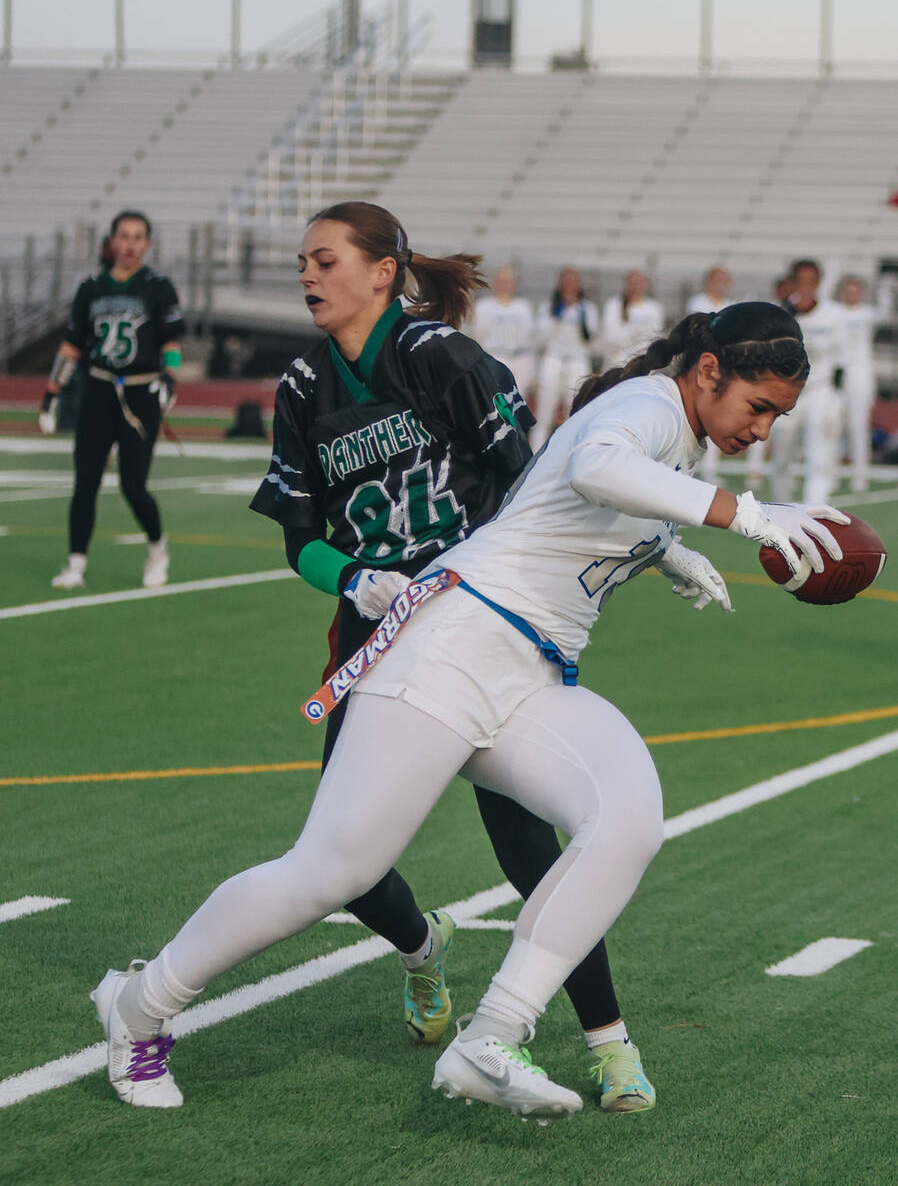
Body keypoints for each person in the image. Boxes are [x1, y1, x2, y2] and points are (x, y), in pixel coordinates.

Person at [92, 299, 849, 1120]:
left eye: (778, 415)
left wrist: (670, 550)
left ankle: (491, 1036)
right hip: (453, 648)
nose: (763, 430)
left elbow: (577, 501)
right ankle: (137, 1007)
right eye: (760, 406)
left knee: (627, 817)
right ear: (709, 370)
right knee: (330, 871)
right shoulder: (650, 407)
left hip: (525, 667)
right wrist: (745, 514)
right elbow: (597, 464)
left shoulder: (673, 425)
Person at [248, 202, 650, 1108]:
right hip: (375, 640)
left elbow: (537, 489)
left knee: (530, 848)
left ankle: (609, 1041)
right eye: (302, 262)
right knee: (339, 859)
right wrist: (354, 579)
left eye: (324, 260)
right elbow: (298, 535)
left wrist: (640, 547)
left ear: (383, 270)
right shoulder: (306, 383)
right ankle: (423, 946)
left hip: (480, 630)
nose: (307, 276)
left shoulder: (446, 359)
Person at [41, 210, 184, 589]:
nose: (131, 244)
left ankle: (157, 548)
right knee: (85, 480)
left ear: (148, 244)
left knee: (132, 485)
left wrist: (170, 376)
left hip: (141, 392)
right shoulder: (91, 288)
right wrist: (52, 392)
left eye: (139, 237)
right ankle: (76, 562)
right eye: (125, 235)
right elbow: (72, 346)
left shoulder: (158, 287)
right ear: (112, 241)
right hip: (99, 389)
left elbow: (171, 342)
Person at [769, 258, 848, 504]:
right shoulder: (779, 312)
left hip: (820, 390)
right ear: (792, 283)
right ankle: (781, 510)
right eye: (800, 282)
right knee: (781, 458)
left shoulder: (834, 314)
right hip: (787, 393)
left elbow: (842, 361)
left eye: (811, 282)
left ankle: (815, 511)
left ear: (819, 283)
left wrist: (836, 400)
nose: (805, 287)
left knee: (820, 457)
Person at [530, 267, 599, 450]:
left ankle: (571, 452)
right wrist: (557, 315)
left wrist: (581, 319)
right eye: (565, 280)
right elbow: (541, 338)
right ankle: (535, 453)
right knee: (545, 410)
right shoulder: (548, 307)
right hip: (553, 359)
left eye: (573, 280)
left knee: (575, 410)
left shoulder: (587, 308)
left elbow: (591, 339)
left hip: (576, 360)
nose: (569, 285)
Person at [686, 267, 734, 486]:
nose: (720, 283)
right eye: (716, 279)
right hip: (701, 364)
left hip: (722, 366)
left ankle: (711, 468)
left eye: (723, 279)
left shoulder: (731, 306)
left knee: (716, 417)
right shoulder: (697, 303)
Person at [835, 274, 881, 491]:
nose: (852, 293)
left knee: (858, 426)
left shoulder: (868, 313)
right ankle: (830, 472)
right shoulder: (834, 312)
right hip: (837, 374)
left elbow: (886, 310)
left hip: (861, 375)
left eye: (856, 289)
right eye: (848, 289)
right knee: (834, 426)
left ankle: (860, 475)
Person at [473, 266, 537, 403]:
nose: (504, 285)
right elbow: (479, 334)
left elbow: (529, 337)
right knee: (494, 400)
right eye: (501, 281)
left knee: (517, 401)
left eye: (508, 281)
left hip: (519, 359)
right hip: (495, 357)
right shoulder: (484, 306)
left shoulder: (523, 306)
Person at [600, 269, 665, 372]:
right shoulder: (613, 305)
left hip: (644, 363)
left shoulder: (654, 308)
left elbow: (656, 336)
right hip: (618, 362)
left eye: (639, 283)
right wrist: (632, 333)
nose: (636, 286)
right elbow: (609, 336)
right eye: (632, 282)